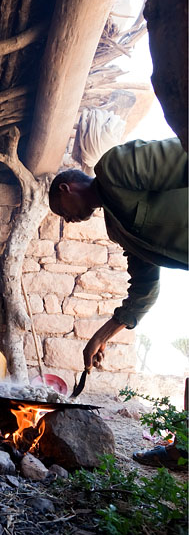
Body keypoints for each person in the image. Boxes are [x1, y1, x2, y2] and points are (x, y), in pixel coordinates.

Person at [49, 137, 188, 469]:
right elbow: (144, 287)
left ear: (66, 189)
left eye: (62, 214)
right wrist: (101, 336)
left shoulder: (115, 167)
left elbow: (182, 156)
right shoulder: (118, 230)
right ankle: (183, 451)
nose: (67, 221)